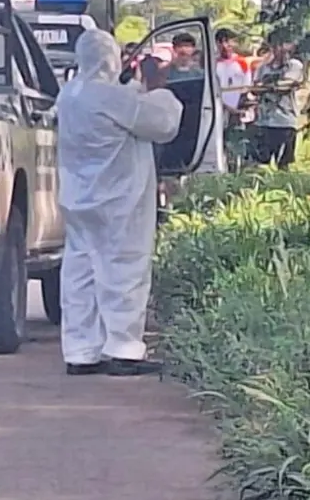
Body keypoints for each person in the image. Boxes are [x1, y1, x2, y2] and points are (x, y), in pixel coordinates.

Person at [56, 29, 184, 376]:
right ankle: (124, 349)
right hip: (118, 200)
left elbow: (122, 106)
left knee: (80, 273)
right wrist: (157, 86)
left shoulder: (70, 93)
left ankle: (81, 351)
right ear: (110, 58)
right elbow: (163, 123)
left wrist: (136, 89)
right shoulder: (109, 97)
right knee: (124, 268)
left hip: (79, 199)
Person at [250, 34, 305, 170]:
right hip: (264, 121)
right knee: (259, 164)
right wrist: (263, 86)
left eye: (286, 45)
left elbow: (284, 86)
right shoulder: (263, 68)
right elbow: (255, 89)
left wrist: (267, 85)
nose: (284, 49)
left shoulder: (294, 65)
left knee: (283, 165)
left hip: (285, 121)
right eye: (279, 45)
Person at [214, 28, 253, 168]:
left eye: (228, 41)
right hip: (218, 110)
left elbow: (246, 88)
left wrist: (237, 109)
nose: (225, 46)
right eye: (221, 42)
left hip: (237, 111)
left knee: (237, 143)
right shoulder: (213, 64)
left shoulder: (242, 63)